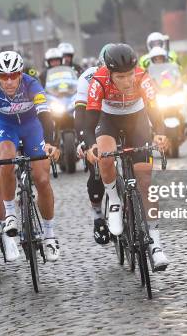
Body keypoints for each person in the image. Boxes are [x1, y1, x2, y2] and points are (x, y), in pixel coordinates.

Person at [84, 43, 170, 270]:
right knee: (105, 156)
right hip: (108, 119)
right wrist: (89, 144)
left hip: (137, 119)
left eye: (130, 74)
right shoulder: (99, 80)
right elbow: (90, 116)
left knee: (146, 181)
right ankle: (113, 200)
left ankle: (156, 243)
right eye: (120, 77)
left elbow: (154, 106)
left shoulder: (142, 77)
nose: (127, 81)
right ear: (109, 73)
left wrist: (160, 132)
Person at [0, 51, 61, 262]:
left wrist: (51, 142)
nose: (9, 81)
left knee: (42, 180)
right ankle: (10, 214)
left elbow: (45, 114)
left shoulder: (32, 83)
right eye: (3, 76)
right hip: (5, 127)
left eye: (13, 75)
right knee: (5, 158)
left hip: (31, 126)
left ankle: (50, 234)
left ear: (20, 73)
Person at [74, 43, 112, 244]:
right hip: (95, 119)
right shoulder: (88, 78)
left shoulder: (129, 76)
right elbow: (81, 113)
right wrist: (84, 141)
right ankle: (98, 216)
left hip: (121, 117)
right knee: (96, 168)